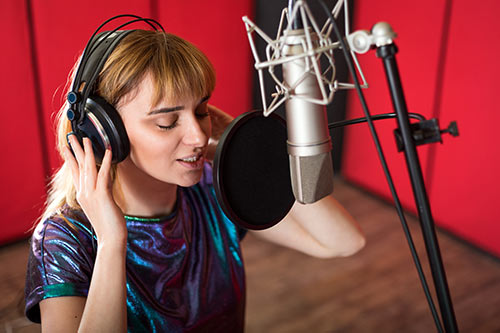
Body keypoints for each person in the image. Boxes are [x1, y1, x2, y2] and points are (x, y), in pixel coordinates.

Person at [24, 27, 365, 332]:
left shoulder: (207, 189)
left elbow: (343, 241)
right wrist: (112, 241)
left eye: (201, 111)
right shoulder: (62, 239)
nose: (199, 136)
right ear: (104, 135)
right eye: (168, 121)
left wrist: (238, 149)